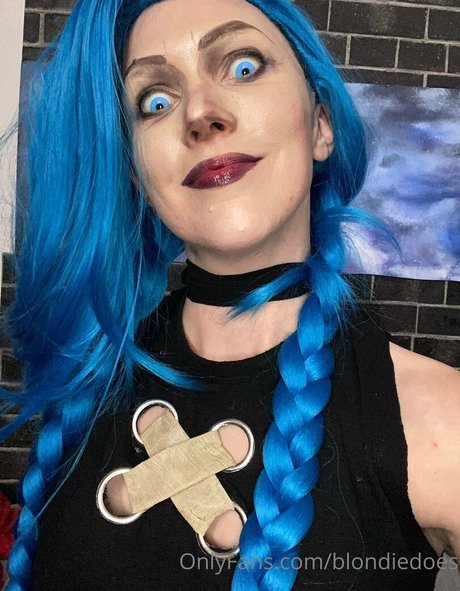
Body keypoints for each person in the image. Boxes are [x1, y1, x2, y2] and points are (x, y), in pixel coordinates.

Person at [0, 0, 459, 589]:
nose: (200, 114)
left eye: (243, 66)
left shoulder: (438, 421)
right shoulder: (85, 392)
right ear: (138, 175)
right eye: (155, 101)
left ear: (320, 125)